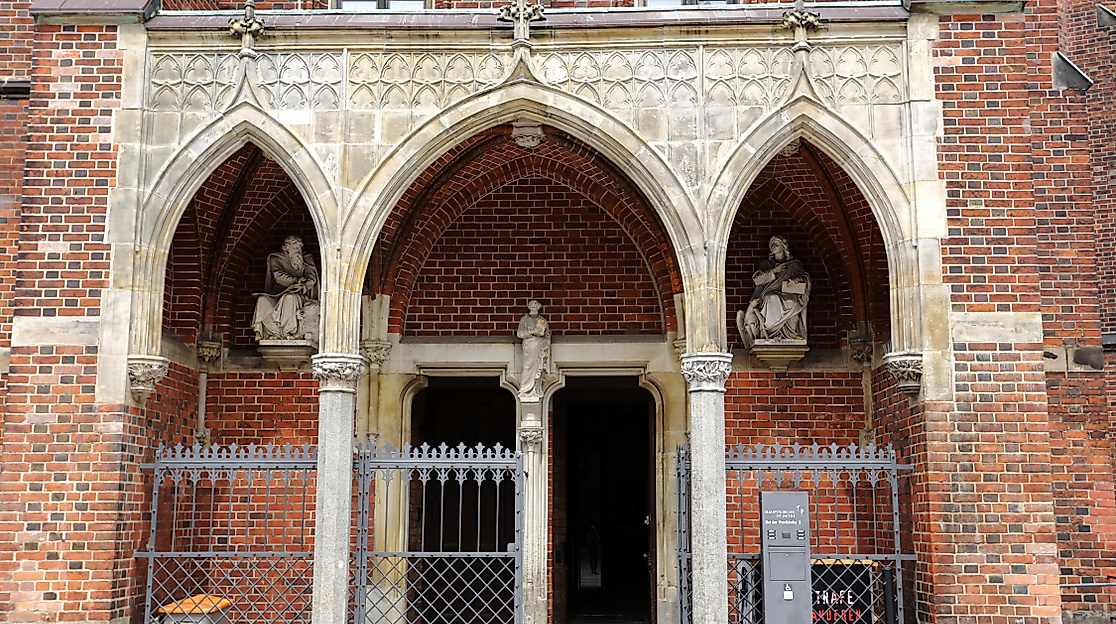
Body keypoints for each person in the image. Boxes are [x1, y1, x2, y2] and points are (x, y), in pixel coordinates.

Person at [737, 235, 810, 349]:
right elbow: (757, 280)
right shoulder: (766, 265)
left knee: (793, 301)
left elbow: (805, 278)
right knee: (771, 297)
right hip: (769, 293)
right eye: (771, 244)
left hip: (789, 293)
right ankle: (771, 333)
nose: (773, 246)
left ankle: (790, 333)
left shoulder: (794, 264)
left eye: (777, 243)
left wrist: (796, 279)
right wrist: (774, 271)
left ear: (784, 246)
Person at [252, 235, 320, 346]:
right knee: (262, 300)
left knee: (290, 298)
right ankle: (274, 333)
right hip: (277, 294)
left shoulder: (306, 259)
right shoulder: (276, 258)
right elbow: (278, 276)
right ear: (286, 248)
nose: (297, 250)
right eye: (295, 247)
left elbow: (312, 278)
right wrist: (295, 280)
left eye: (299, 247)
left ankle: (289, 332)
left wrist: (304, 284)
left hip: (298, 294)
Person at [517, 300, 551, 397]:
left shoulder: (543, 321)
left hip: (539, 348)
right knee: (527, 367)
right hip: (528, 347)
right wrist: (532, 332)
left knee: (537, 369)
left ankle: (535, 389)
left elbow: (547, 335)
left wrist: (545, 344)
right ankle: (525, 389)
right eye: (532, 306)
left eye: (535, 307)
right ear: (529, 307)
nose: (533, 308)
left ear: (538, 308)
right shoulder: (524, 319)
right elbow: (520, 334)